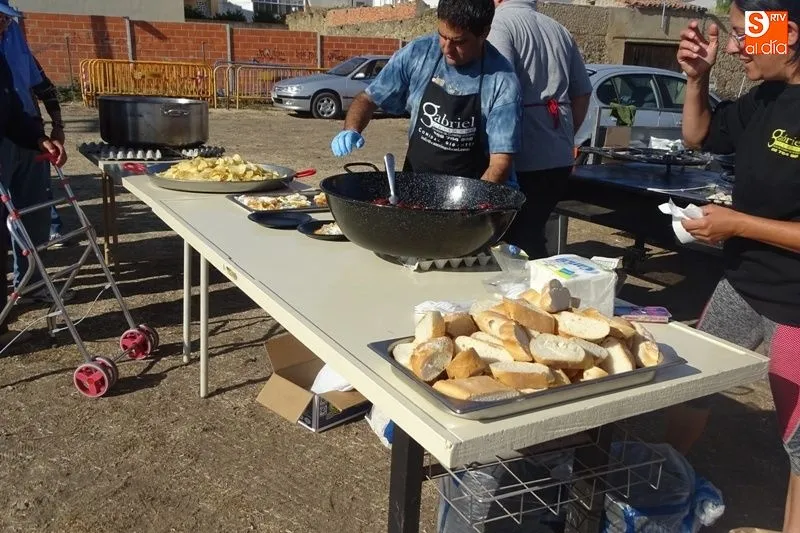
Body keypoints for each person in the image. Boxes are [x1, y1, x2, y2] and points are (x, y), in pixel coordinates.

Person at [669, 1, 800, 531]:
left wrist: (738, 224)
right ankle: (659, 489)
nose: (735, 45)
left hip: (797, 307)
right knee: (690, 388)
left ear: (787, 34)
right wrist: (696, 79)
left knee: (799, 447)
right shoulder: (766, 95)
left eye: (749, 33)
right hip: (742, 285)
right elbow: (699, 136)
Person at [330, 0, 521, 185]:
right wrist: (351, 129)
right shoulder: (419, 53)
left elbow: (500, 163)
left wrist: (473, 207)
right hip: (415, 184)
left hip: (471, 190)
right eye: (443, 36)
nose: (447, 49)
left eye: (459, 41)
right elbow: (368, 98)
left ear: (484, 33)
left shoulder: (501, 80)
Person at [486, 0, 591, 258]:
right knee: (532, 229)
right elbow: (583, 92)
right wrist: (565, 135)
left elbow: (501, 86)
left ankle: (527, 293)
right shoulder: (560, 30)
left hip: (522, 156)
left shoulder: (499, 24)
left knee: (512, 239)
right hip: (558, 158)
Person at [0, 7, 64, 348]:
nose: (5, 25)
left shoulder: (11, 50)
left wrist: (45, 135)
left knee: (34, 216)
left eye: (6, 19)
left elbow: (14, 110)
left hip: (24, 139)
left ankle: (31, 288)